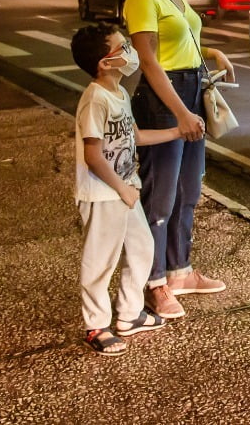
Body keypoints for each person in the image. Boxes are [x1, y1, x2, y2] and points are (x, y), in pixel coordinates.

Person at [115, 0, 234, 321]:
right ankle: (154, 283)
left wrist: (213, 55)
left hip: (190, 88)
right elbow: (148, 61)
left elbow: (185, 39)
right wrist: (181, 113)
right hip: (163, 98)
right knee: (160, 196)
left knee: (189, 190)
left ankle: (180, 270)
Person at [70, 23, 179, 355]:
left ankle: (129, 315)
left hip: (124, 191)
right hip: (104, 194)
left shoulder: (119, 94)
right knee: (100, 261)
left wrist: (178, 133)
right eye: (122, 48)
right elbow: (93, 156)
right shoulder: (95, 99)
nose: (130, 53)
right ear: (105, 63)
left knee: (143, 248)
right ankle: (96, 326)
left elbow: (136, 137)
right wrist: (122, 188)